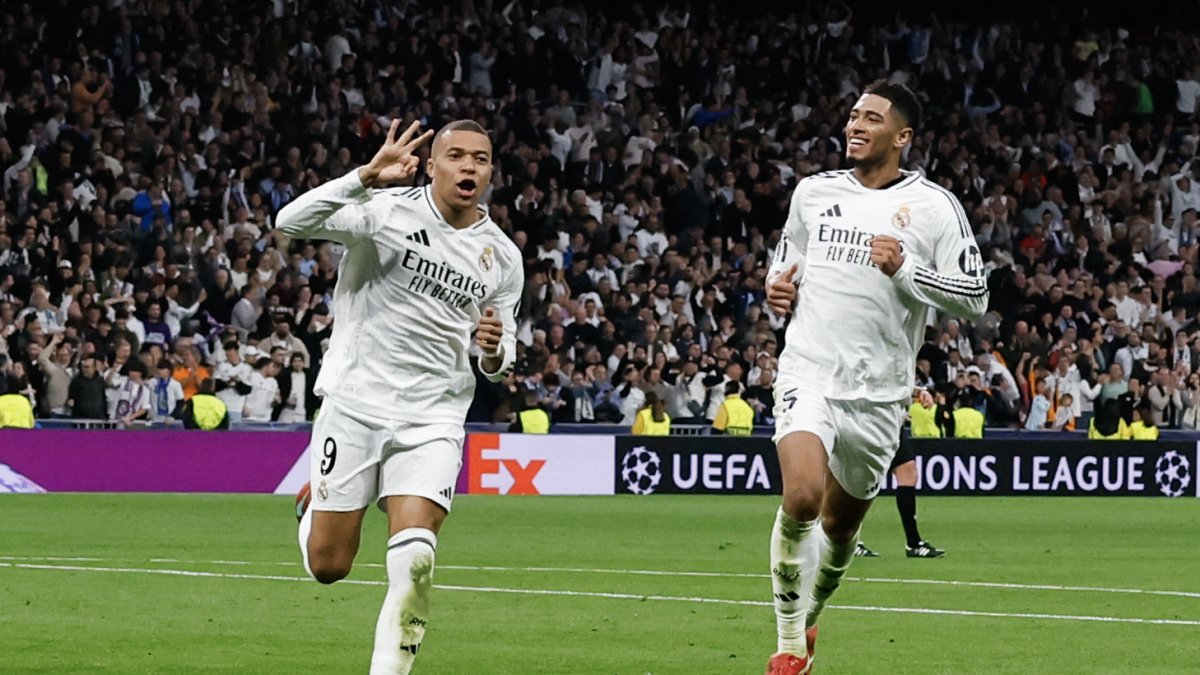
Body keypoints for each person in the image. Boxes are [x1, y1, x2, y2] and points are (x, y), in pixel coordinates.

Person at [278, 118, 521, 675]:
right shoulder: (383, 211)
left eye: (480, 159)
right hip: (356, 404)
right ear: (431, 165)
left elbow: (501, 355)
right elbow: (289, 222)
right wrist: (364, 177)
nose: (468, 166)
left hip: (434, 417)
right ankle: (313, 508)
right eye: (456, 156)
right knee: (329, 566)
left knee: (415, 559)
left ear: (489, 172)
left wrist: (492, 351)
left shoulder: (503, 256)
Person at [763, 81, 988, 674]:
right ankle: (789, 646)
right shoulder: (813, 192)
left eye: (870, 118)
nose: (855, 125)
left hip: (880, 395)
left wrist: (906, 268)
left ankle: (810, 616)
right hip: (809, 370)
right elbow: (786, 261)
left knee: (839, 533)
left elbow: (975, 296)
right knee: (802, 496)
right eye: (852, 115)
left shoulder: (935, 207)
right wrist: (775, 287)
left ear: (902, 136)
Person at [856, 386, 948, 560]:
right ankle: (847, 540)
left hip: (891, 422)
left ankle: (914, 543)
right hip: (871, 420)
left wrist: (919, 391)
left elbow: (895, 380)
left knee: (908, 471)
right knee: (861, 477)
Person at [242, 357, 281, 422]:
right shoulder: (252, 377)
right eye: (272, 366)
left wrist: (276, 401)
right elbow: (243, 394)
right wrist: (244, 406)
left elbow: (273, 401)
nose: (273, 369)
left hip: (266, 418)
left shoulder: (274, 382)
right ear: (265, 366)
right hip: (250, 417)